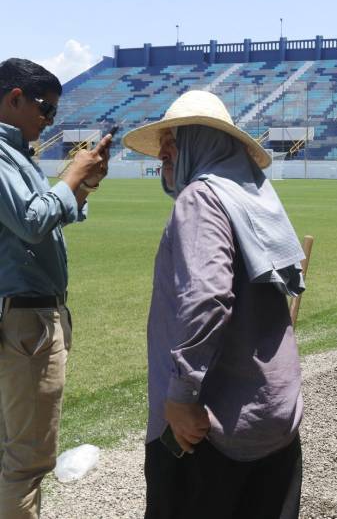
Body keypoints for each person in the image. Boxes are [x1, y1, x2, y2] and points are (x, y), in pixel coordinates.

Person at [123, 90, 305, 519]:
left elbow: (209, 298)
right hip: (272, 414)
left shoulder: (201, 198)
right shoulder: (255, 196)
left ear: (204, 143)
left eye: (176, 139)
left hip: (210, 428)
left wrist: (182, 394)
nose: (165, 151)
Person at [0, 58, 111, 518]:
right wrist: (69, 177)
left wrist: (80, 187)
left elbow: (39, 221)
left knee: (13, 452)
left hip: (27, 318)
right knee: (27, 461)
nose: (50, 120)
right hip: (26, 320)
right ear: (14, 98)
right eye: (46, 109)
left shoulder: (17, 153)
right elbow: (31, 222)